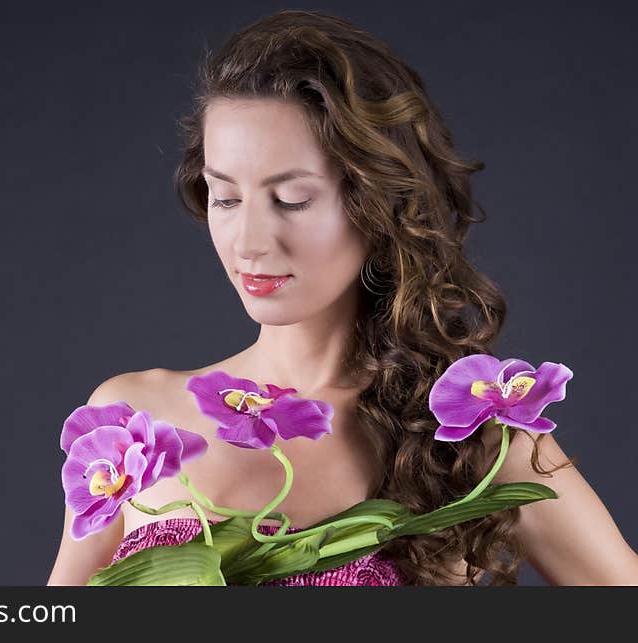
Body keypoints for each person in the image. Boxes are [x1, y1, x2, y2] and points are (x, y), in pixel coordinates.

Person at [47, 9, 638, 586]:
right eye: (225, 198)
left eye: (292, 199)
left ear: (379, 205)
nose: (249, 243)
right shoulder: (131, 426)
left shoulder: (474, 443)